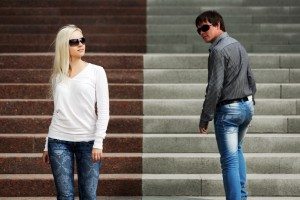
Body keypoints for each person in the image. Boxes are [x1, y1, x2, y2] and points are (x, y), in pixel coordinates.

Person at [42, 24, 110, 200]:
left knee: (88, 195)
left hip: (88, 141)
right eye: (74, 41)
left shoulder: (97, 72)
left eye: (82, 40)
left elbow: (104, 111)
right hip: (58, 141)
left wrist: (98, 142)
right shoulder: (58, 75)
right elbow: (57, 111)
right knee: (65, 195)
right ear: (65, 46)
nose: (81, 44)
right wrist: (46, 144)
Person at [195, 11, 256, 200]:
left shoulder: (218, 50)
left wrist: (205, 117)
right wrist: (250, 102)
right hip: (247, 107)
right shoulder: (238, 45)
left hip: (229, 110)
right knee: (237, 151)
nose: (202, 32)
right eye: (198, 30)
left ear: (218, 25)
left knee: (229, 161)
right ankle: (241, 197)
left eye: (205, 27)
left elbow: (214, 87)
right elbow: (251, 78)